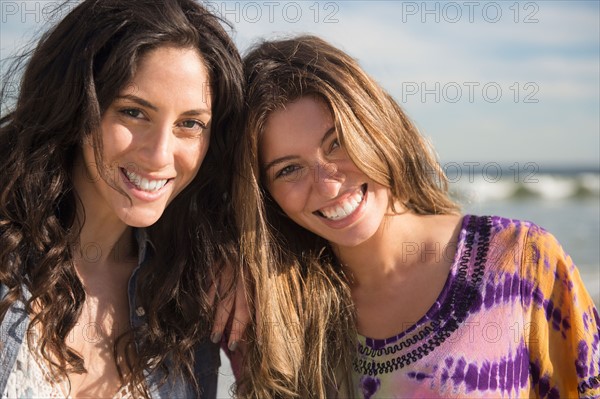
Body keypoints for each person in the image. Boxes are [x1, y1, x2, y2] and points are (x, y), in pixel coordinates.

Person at [241, 35, 600, 398]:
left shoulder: (519, 261)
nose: (328, 186)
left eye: (337, 142)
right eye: (289, 170)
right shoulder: (279, 315)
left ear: (377, 126)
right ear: (266, 196)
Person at [0, 0, 252, 397]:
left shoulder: (192, 291)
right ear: (76, 105)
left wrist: (249, 260)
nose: (159, 155)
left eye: (190, 123)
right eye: (134, 113)